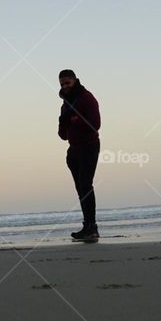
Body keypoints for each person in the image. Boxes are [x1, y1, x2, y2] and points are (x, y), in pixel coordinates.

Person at [57, 69, 101, 241]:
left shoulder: (87, 98)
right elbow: (62, 135)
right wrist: (64, 121)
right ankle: (88, 226)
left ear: (75, 80)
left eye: (67, 83)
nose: (65, 86)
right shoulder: (65, 104)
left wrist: (74, 119)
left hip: (89, 146)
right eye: (61, 84)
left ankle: (92, 228)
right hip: (73, 150)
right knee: (81, 189)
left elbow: (95, 125)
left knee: (86, 186)